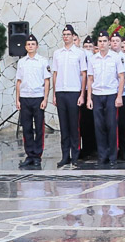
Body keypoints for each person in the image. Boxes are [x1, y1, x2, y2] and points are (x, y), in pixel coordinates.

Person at [51, 24, 88, 167]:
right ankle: (65, 155)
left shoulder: (79, 53)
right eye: (64, 34)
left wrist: (82, 94)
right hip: (61, 92)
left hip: (74, 92)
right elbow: (55, 74)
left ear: (74, 37)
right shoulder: (57, 53)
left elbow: (84, 74)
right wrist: (54, 94)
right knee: (63, 125)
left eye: (68, 34)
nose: (66, 37)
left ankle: (75, 155)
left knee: (74, 126)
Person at [86, 33, 125, 166]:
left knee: (111, 125)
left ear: (109, 43)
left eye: (104, 41)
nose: (102, 43)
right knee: (99, 126)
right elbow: (90, 79)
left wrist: (119, 96)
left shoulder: (115, 58)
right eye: (100, 41)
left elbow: (121, 77)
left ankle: (113, 156)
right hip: (97, 94)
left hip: (111, 94)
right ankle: (102, 155)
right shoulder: (93, 59)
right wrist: (89, 98)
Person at [14, 35, 52, 169]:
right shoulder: (22, 62)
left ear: (37, 46)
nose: (30, 46)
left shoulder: (42, 61)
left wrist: (45, 98)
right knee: (27, 128)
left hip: (38, 97)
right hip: (25, 98)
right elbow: (18, 81)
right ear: (25, 47)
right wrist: (17, 99)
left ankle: (37, 156)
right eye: (28, 44)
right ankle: (29, 155)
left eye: (33, 44)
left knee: (39, 128)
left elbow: (47, 81)